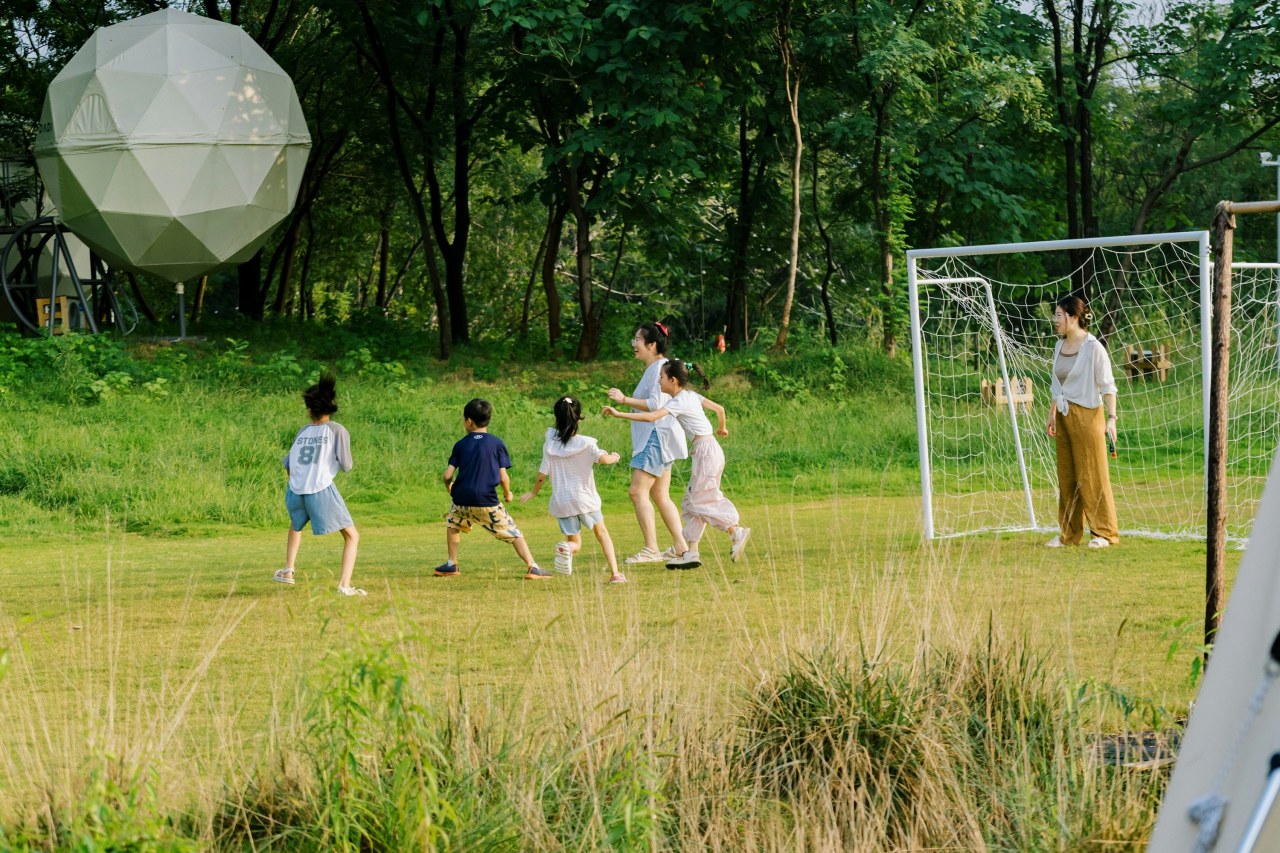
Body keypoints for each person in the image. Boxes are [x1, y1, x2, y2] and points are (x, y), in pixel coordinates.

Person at [604, 360, 751, 568]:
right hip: (709, 450)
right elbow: (719, 409)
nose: (659, 381)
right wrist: (722, 428)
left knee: (701, 499)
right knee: (691, 502)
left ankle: (735, 530)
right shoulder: (691, 396)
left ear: (673, 380)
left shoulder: (680, 400)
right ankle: (691, 552)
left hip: (706, 452)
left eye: (661, 377)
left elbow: (652, 416)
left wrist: (619, 413)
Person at [605, 322, 691, 564]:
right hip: (661, 437)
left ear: (652, 345)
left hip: (655, 437)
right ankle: (681, 546)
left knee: (637, 491)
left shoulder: (659, 368)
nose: (634, 345)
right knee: (660, 494)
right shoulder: (656, 368)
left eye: (638, 340)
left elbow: (655, 404)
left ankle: (651, 549)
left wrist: (624, 400)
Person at [436, 398, 550, 579]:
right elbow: (503, 476)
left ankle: (451, 564)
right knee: (512, 532)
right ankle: (532, 566)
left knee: (453, 524)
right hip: (486, 500)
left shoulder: (461, 444)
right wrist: (507, 493)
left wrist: (449, 487)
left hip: (461, 498)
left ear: (468, 421)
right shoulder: (496, 443)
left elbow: (447, 475)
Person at [519, 396, 626, 584]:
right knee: (602, 533)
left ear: (557, 417)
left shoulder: (550, 445)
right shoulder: (587, 444)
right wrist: (615, 457)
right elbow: (603, 459)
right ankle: (615, 574)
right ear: (578, 418)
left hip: (562, 501)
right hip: (585, 499)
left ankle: (568, 548)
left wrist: (533, 492)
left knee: (575, 542)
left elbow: (542, 474)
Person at [274, 373, 364, 595]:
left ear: (309, 410)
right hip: (320, 489)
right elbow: (346, 465)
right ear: (331, 406)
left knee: (296, 525)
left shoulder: (303, 431)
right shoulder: (337, 430)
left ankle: (288, 570)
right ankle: (344, 585)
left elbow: (288, 464)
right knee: (352, 536)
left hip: (295, 491)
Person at [1045, 295, 1120, 548]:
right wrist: (1052, 413)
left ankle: (1103, 534)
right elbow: (1057, 385)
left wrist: (1112, 419)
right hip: (1063, 416)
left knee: (1092, 476)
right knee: (1067, 478)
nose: (1055, 320)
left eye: (1059, 315)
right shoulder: (1058, 346)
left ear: (1074, 317)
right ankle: (1069, 535)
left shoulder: (1093, 347)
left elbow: (1108, 386)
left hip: (1088, 416)